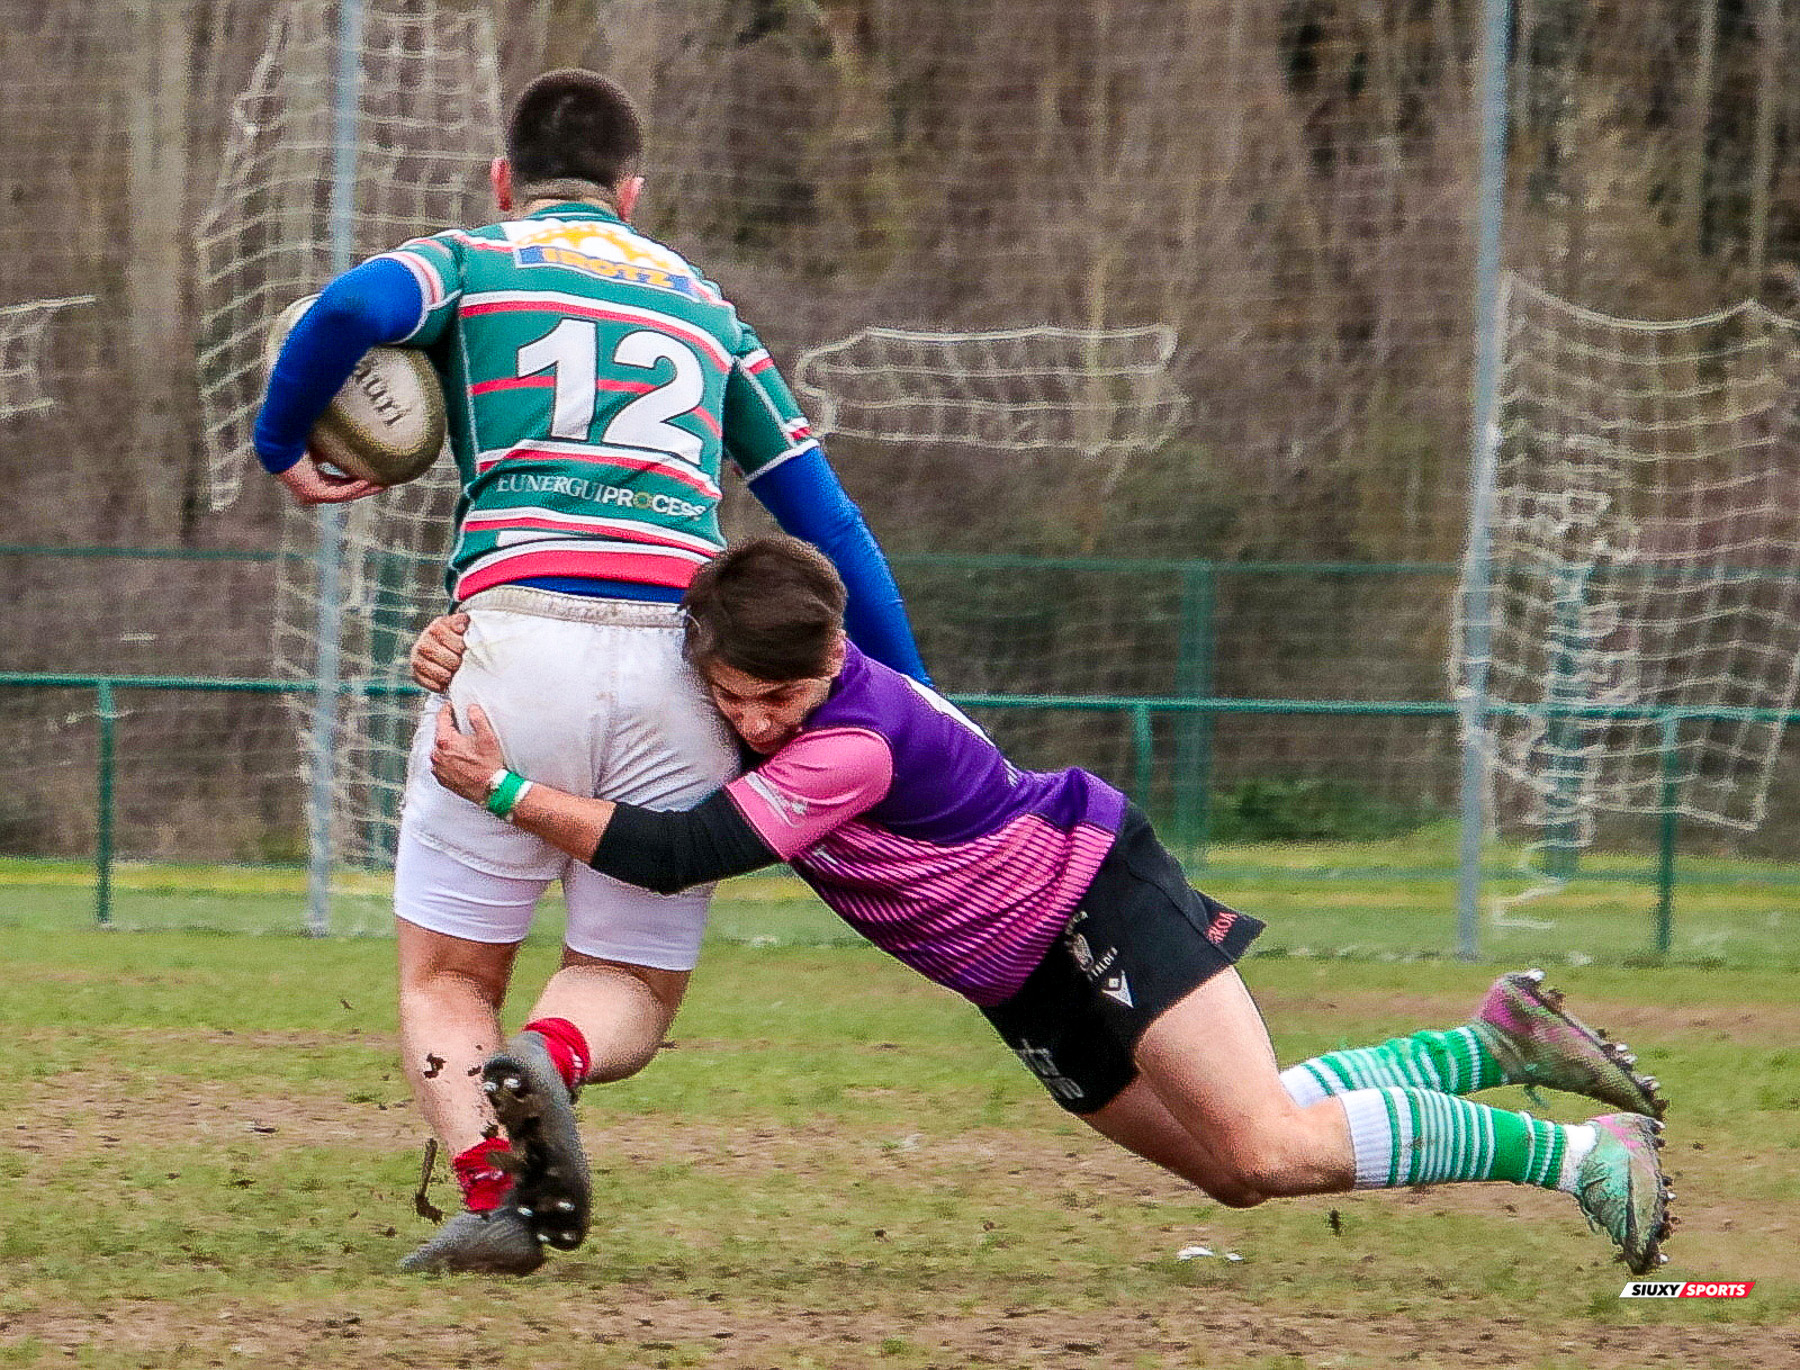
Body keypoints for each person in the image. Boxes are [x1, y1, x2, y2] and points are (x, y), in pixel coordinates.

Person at [416, 534, 1676, 1277]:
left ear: (830, 667)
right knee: (1244, 1160)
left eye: (779, 704)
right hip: (1017, 978)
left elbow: (681, 846)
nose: (753, 723)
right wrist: (460, 644)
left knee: (1263, 1145)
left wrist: (506, 782)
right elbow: (616, 641)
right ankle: (1493, 1040)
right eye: (736, 698)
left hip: (1090, 899)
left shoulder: (849, 739)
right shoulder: (728, 672)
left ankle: (1580, 1159)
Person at [255, 72, 930, 1275]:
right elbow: (827, 521)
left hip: (509, 647)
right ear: (633, 193)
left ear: (506, 180)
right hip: (682, 658)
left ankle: (495, 1194)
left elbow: (352, 305)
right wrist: (914, 696)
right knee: (625, 976)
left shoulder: (473, 257)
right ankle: (551, 1060)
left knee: (452, 975)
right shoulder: (706, 309)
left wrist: (281, 447)